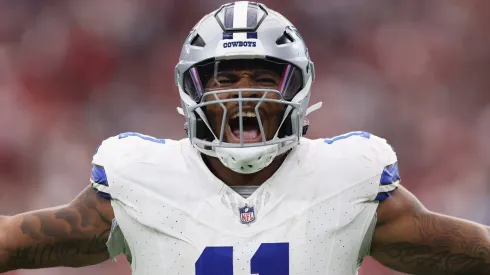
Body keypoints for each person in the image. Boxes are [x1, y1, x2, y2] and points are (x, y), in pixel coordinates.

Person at [1, 2, 489, 275]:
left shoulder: (349, 177)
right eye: (225, 78)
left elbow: (457, 249)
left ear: (297, 87)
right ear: (192, 89)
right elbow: (21, 242)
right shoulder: (139, 178)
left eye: (262, 77)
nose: (244, 95)